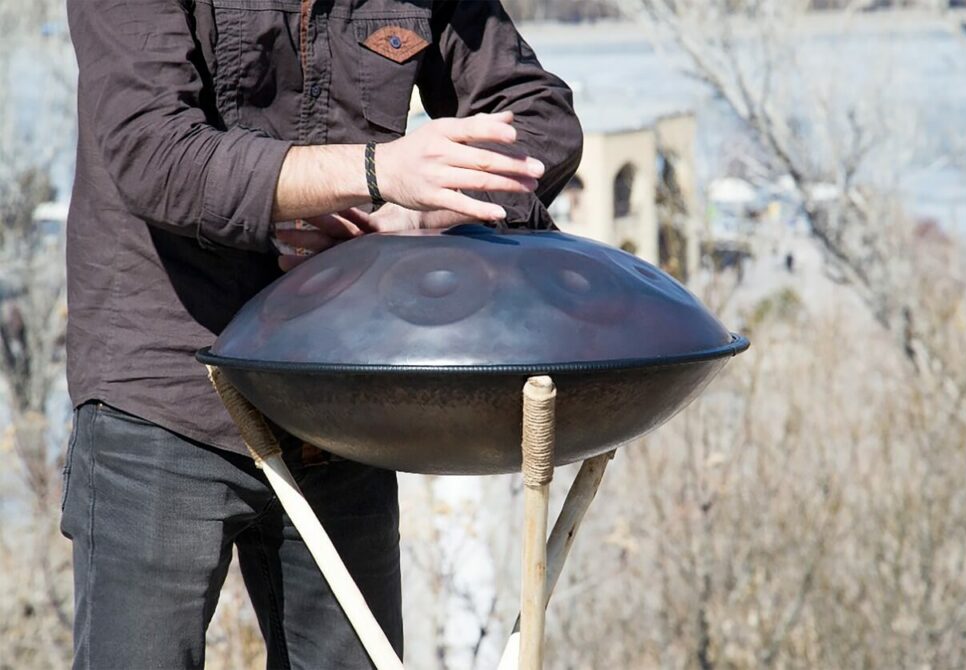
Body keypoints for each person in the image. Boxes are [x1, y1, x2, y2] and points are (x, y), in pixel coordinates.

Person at [61, 0, 583, 667]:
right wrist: (375, 171)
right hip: (167, 391)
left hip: (338, 393)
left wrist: (419, 212)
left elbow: (542, 119)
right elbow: (154, 154)